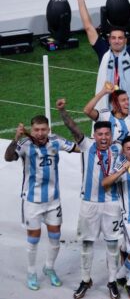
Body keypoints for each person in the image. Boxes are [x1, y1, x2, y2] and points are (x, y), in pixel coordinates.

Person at [57, 98, 123, 299]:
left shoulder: (119, 148)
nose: (103, 137)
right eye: (100, 134)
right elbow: (73, 128)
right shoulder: (86, 145)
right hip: (89, 204)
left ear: (111, 135)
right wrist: (62, 112)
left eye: (106, 134)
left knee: (113, 244)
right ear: (95, 135)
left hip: (112, 203)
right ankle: (86, 279)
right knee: (87, 243)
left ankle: (112, 281)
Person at [4, 116, 77, 291]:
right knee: (33, 240)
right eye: (36, 129)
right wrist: (15, 138)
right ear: (32, 129)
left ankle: (49, 268)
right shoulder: (24, 144)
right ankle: (31, 272)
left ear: (49, 129)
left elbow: (78, 147)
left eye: (43, 129)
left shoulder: (56, 141)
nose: (40, 133)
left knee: (55, 239)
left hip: (53, 201)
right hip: (32, 202)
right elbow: (8, 157)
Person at [101, 136, 130, 299]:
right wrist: (123, 169)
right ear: (123, 151)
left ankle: (119, 277)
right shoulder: (120, 165)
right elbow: (105, 183)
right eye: (128, 148)